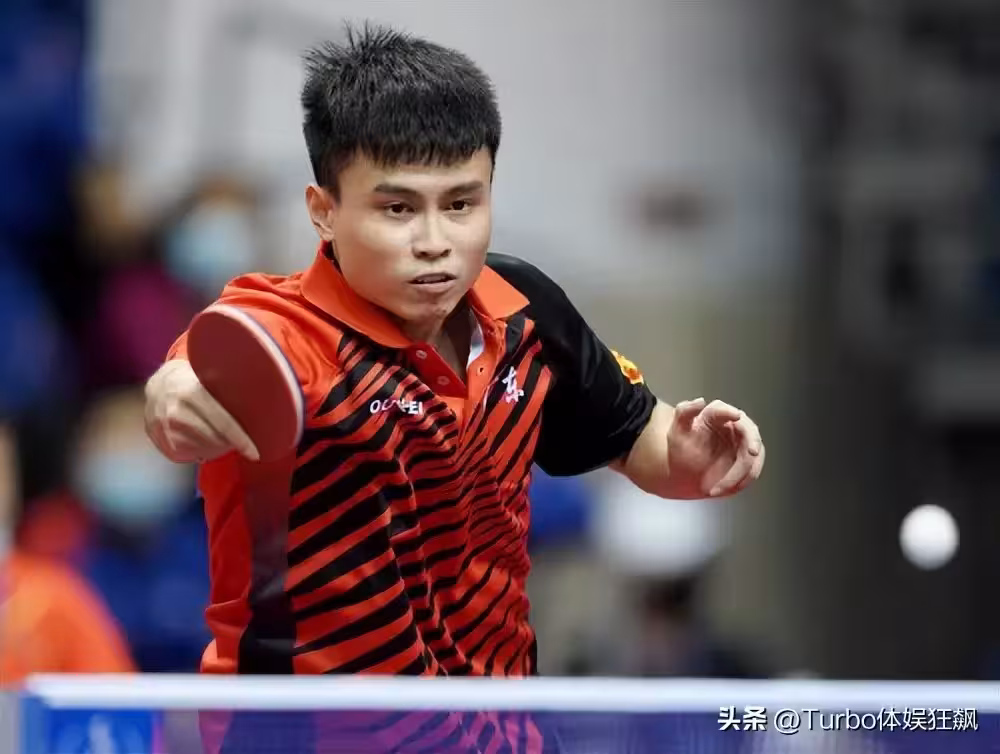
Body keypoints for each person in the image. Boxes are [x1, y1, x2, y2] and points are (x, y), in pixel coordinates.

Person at [142, 23, 765, 752]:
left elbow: (643, 440)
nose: (435, 241)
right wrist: (174, 395)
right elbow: (193, 380)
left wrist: (689, 453)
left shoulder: (525, 310)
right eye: (397, 209)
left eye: (461, 204)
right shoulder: (282, 328)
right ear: (323, 210)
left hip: (501, 735)